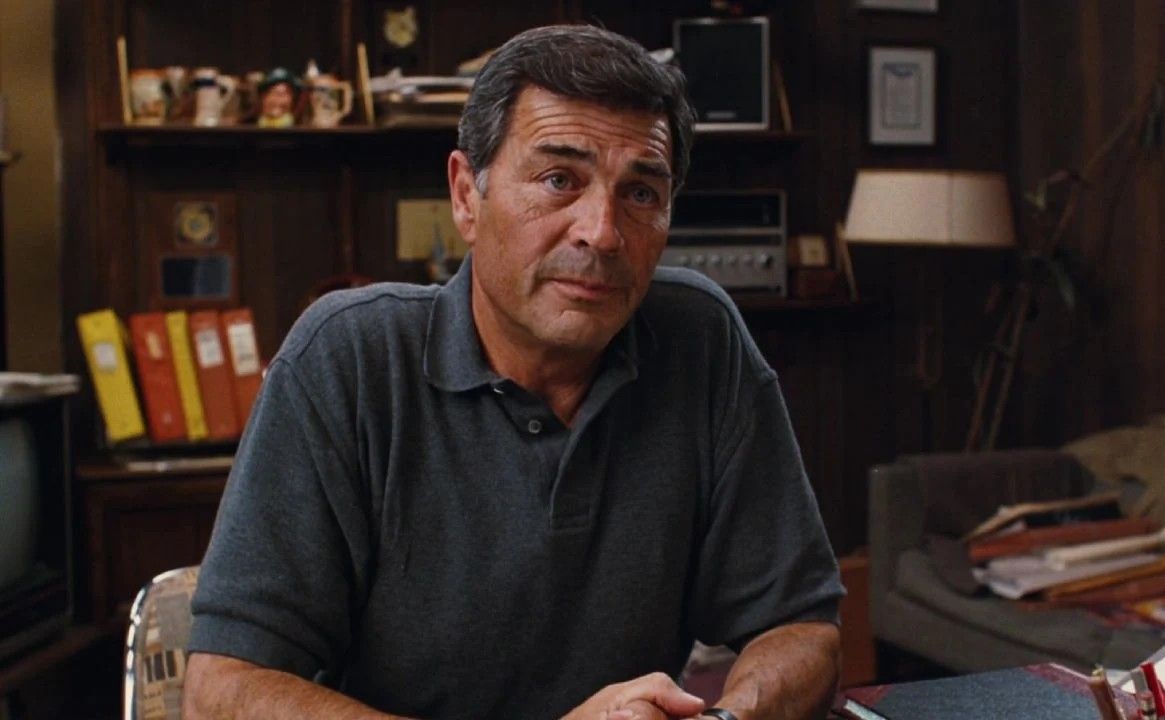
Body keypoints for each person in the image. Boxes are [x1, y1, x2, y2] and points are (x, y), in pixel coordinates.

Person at [183, 24, 844, 720]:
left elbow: (802, 628)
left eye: (641, 193)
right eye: (559, 180)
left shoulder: (700, 338)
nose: (602, 232)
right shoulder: (347, 357)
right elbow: (221, 689)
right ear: (466, 196)